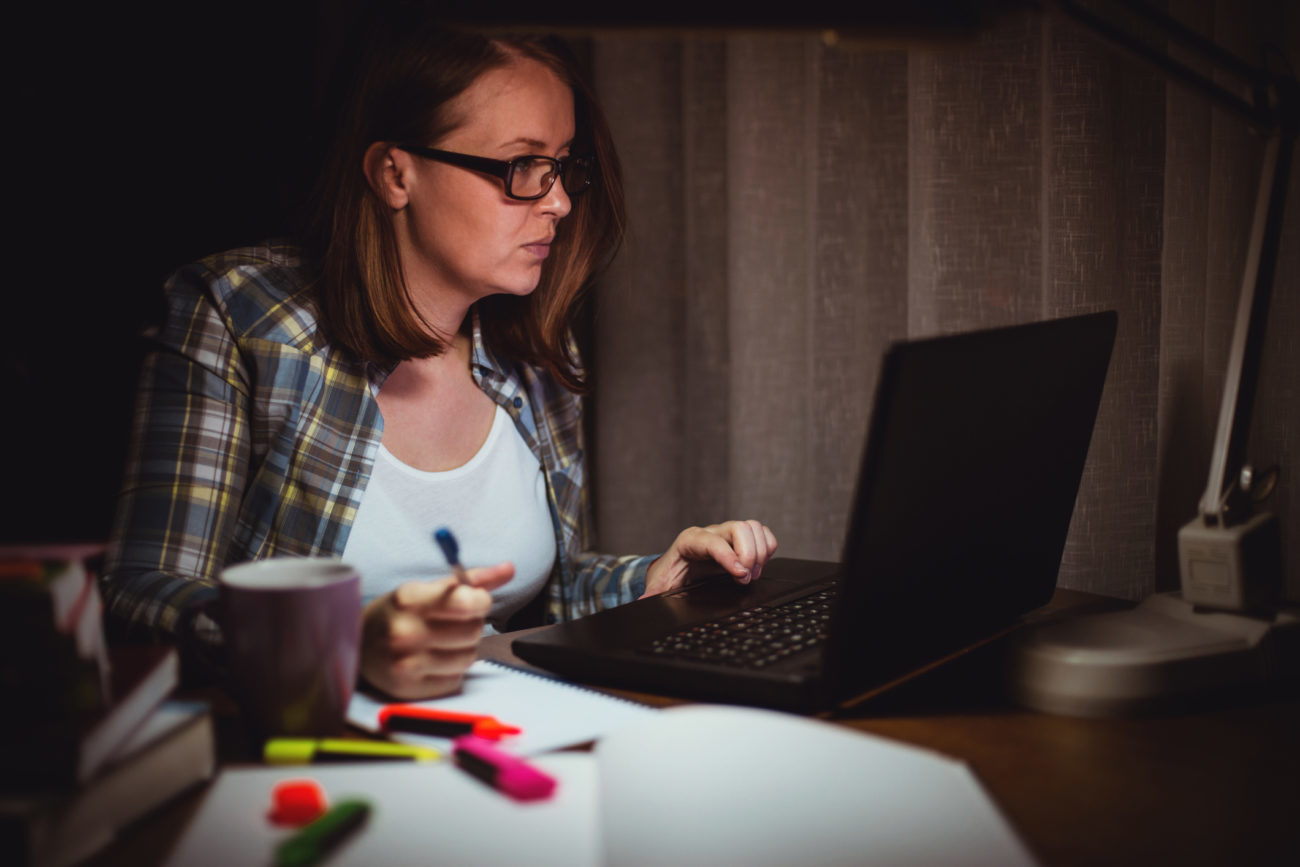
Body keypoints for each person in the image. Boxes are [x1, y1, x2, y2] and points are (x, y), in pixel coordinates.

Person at [102, 15, 776, 701]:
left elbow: (548, 590)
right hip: (302, 749)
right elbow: (140, 595)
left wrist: (654, 579)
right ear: (395, 173)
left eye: (564, 166)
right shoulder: (240, 315)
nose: (561, 202)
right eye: (522, 166)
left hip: (505, 736)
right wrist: (338, 641)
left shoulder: (536, 350)